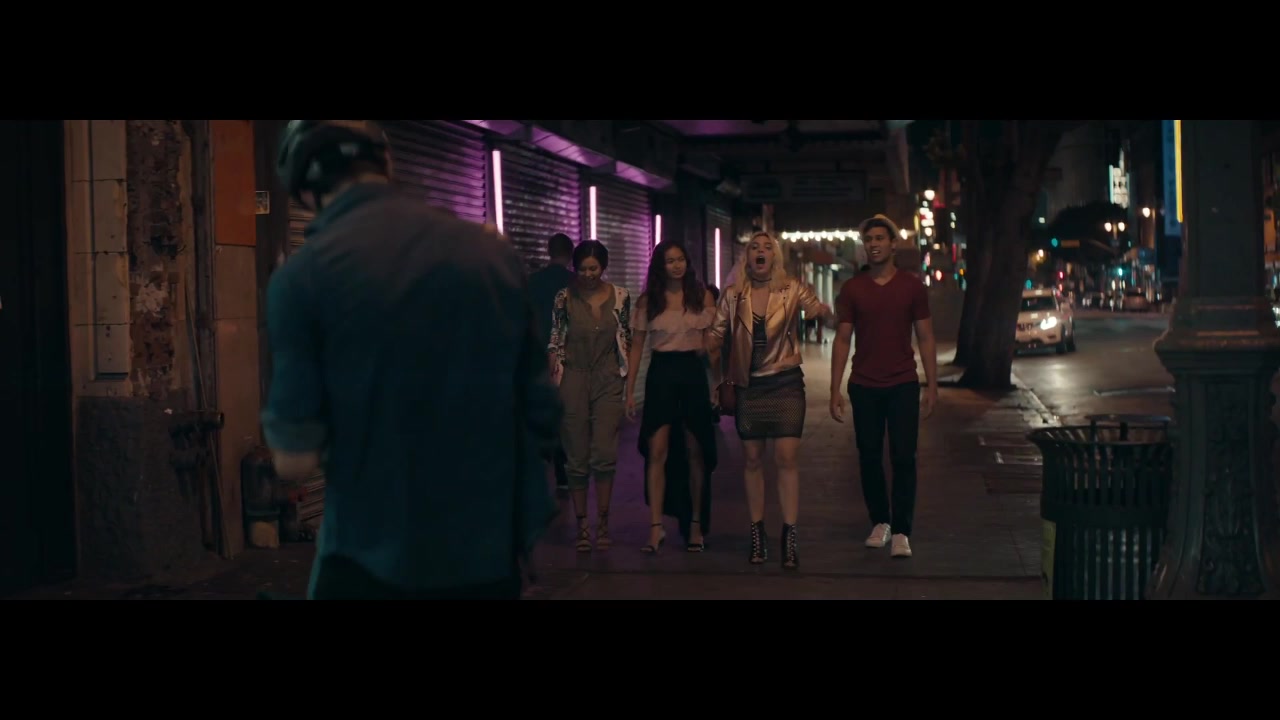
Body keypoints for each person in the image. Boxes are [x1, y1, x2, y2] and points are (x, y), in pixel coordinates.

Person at [262, 120, 559, 599]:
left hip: (371, 556)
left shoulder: (301, 278)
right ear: (387, 163)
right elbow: (542, 410)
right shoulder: (490, 253)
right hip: (484, 551)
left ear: (305, 191)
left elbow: (295, 458)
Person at [708, 231, 832, 569]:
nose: (760, 251)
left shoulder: (792, 288)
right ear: (746, 257)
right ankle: (757, 533)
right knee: (752, 459)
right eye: (754, 247)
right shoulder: (733, 295)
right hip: (749, 387)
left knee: (787, 457)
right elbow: (715, 335)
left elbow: (817, 310)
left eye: (767, 247)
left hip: (786, 382)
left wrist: (826, 311)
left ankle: (789, 536)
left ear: (775, 257)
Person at [829, 214, 938, 560]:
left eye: (879, 238)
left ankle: (902, 529)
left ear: (893, 244)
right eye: (868, 239)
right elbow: (842, 339)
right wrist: (834, 389)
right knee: (869, 455)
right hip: (864, 385)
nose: (873, 244)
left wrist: (932, 385)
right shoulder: (852, 289)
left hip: (903, 382)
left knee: (904, 456)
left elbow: (925, 336)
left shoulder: (912, 287)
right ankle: (880, 521)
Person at [626, 241, 718, 554]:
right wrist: (629, 391)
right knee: (657, 450)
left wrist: (718, 381)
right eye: (670, 261)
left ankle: (695, 524)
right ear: (660, 266)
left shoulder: (701, 296)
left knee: (695, 451)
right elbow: (637, 346)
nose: (677, 265)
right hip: (661, 374)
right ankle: (656, 527)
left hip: (692, 373)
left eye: (681, 259)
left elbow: (711, 344)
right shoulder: (648, 300)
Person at [547, 240, 632, 552]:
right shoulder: (564, 297)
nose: (588, 274)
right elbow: (555, 337)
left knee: (605, 452)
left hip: (608, 378)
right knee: (576, 454)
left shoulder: (620, 296)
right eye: (582, 269)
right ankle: (583, 524)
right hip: (574, 376)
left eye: (593, 268)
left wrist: (627, 381)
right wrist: (552, 374)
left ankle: (604, 522)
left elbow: (626, 337)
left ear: (603, 267)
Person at [529, 232, 576, 492]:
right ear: (570, 254)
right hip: (568, 356)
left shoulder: (532, 282)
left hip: (538, 356)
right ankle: (563, 471)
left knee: (542, 409)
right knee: (565, 413)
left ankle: (542, 460)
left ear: (549, 252)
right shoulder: (576, 283)